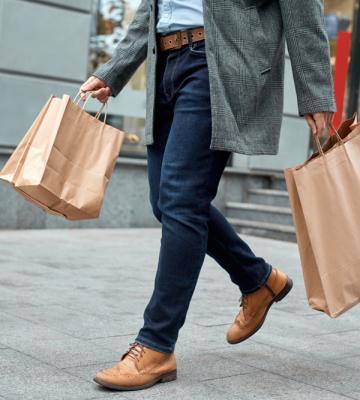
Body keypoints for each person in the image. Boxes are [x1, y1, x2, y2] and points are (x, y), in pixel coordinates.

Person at [80, 0, 336, 392]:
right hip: (165, 63)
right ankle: (259, 279)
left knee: (181, 200)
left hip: (218, 63)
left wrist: (315, 91)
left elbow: (302, 8)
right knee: (166, 202)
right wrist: (115, 72)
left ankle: (156, 344)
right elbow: (152, 10)